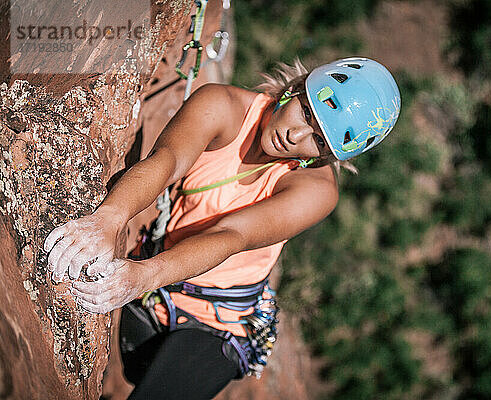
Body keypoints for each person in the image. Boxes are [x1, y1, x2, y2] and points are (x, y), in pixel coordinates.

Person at [44, 57, 401, 399]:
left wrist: (141, 277)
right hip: (151, 300)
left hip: (218, 325)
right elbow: (166, 161)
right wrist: (108, 219)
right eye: (307, 111)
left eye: (318, 139)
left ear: (325, 156)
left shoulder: (316, 190)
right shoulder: (223, 106)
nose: (295, 135)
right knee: (136, 374)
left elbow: (231, 235)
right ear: (296, 88)